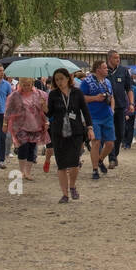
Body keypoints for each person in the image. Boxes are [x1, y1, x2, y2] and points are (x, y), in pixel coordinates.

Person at [46, 67, 93, 203]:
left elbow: (85, 111)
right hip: (58, 131)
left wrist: (90, 128)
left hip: (76, 131)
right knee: (61, 164)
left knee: (74, 162)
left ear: (68, 78)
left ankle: (72, 186)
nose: (59, 82)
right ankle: (65, 194)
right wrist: (44, 109)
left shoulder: (77, 93)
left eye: (61, 78)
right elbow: (50, 114)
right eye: (57, 80)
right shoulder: (53, 94)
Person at [4, 77, 49, 180]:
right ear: (20, 84)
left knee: (32, 148)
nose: (26, 87)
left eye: (28, 85)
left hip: (35, 125)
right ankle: (22, 171)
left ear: (32, 84)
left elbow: (44, 111)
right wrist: (5, 123)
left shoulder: (39, 94)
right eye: (24, 85)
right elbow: (8, 109)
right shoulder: (15, 95)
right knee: (23, 147)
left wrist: (45, 118)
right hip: (20, 125)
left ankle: (28, 172)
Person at [79, 59, 116, 179]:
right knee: (96, 142)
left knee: (110, 143)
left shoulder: (107, 82)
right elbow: (81, 98)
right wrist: (95, 98)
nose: (107, 70)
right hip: (93, 116)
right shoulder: (87, 82)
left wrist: (112, 108)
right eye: (105, 68)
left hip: (107, 115)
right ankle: (95, 169)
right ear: (98, 69)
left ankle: (100, 160)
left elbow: (111, 96)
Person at [106, 50, 135, 159]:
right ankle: (112, 157)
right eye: (115, 58)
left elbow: (129, 89)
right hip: (107, 107)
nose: (118, 60)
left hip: (121, 106)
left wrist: (131, 103)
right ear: (109, 59)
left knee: (120, 133)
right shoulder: (104, 70)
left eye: (119, 58)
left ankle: (115, 153)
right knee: (110, 131)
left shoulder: (123, 71)